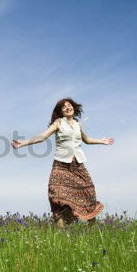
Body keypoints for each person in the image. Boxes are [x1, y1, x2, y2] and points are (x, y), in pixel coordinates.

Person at [11, 98, 114, 228]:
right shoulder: (58, 123)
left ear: (74, 108)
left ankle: (92, 229)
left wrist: (101, 141)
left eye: (69, 105)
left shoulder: (78, 125)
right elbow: (43, 137)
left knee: (88, 194)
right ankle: (61, 231)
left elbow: (86, 139)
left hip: (78, 164)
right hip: (61, 163)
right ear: (61, 112)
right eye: (63, 107)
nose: (67, 108)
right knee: (56, 193)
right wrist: (23, 143)